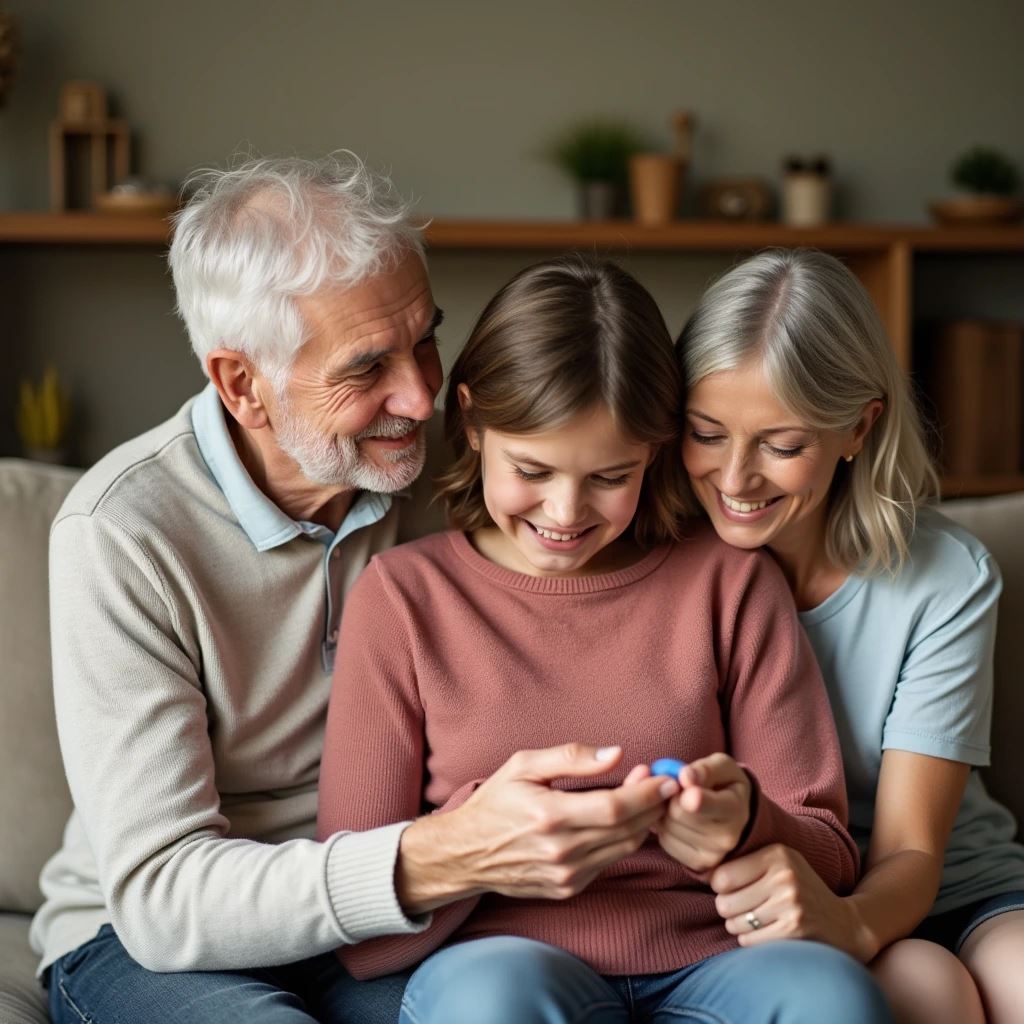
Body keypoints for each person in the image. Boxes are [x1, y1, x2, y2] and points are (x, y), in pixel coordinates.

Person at [31, 155, 676, 1024]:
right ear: (241, 384)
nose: (418, 396)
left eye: (425, 341)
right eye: (366, 368)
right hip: (158, 945)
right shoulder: (121, 532)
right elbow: (162, 897)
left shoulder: (468, 473)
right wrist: (444, 855)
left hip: (394, 932)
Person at [316, 255, 892, 1024]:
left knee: (831, 998)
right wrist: (481, 838)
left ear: (657, 450)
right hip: (505, 964)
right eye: (532, 468)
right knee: (492, 1004)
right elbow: (358, 931)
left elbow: (831, 855)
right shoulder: (403, 599)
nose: (565, 511)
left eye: (610, 477)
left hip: (718, 960)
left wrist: (746, 818)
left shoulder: (728, 585)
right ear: (474, 420)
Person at [674, 247, 1024, 1024]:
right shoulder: (663, 562)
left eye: (782, 445)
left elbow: (910, 851)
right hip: (774, 891)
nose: (735, 480)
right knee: (923, 991)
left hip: (944, 881)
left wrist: (853, 922)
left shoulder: (943, 577)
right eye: (706, 433)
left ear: (858, 429)